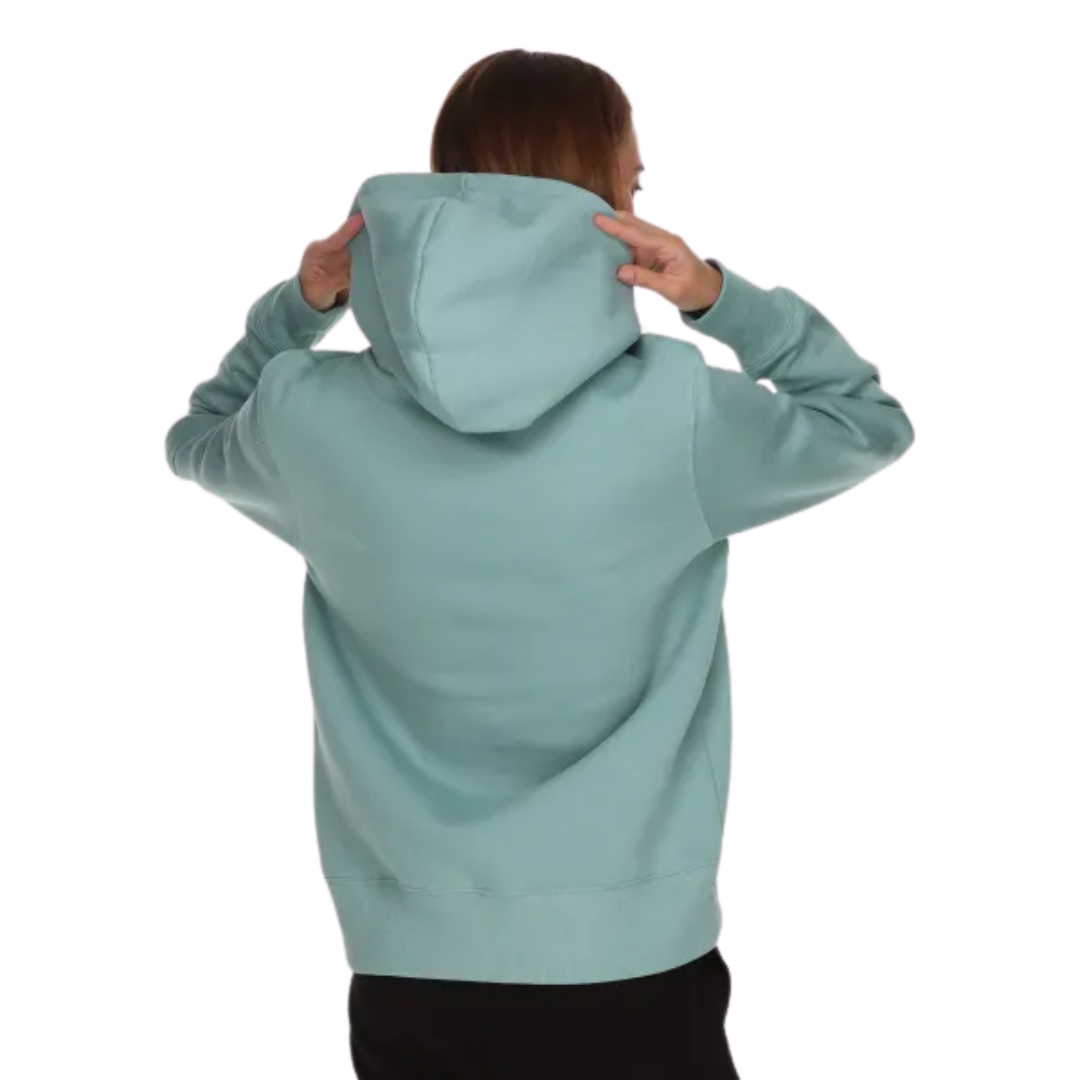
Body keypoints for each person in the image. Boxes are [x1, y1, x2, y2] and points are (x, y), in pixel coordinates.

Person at [164, 47, 914, 1080]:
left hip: (410, 970)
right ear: (604, 202)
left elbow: (197, 436)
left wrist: (301, 306)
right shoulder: (677, 413)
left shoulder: (306, 416)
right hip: (635, 963)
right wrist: (716, 297)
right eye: (632, 185)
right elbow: (866, 423)